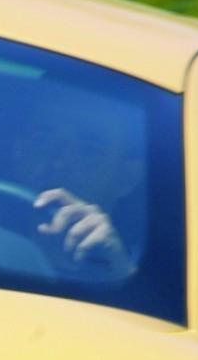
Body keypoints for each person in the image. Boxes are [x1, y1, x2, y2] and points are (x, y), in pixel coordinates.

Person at [19, 100, 148, 281]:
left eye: (88, 150)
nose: (58, 162)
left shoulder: (144, 270)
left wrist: (121, 275)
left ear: (126, 177)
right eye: (42, 139)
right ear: (18, 151)